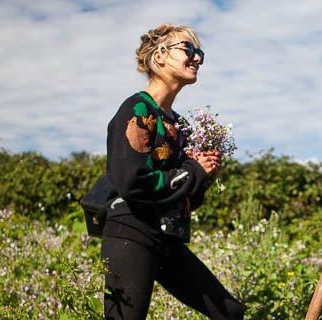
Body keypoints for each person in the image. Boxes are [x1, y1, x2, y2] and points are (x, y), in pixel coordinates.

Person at [101, 24, 246, 320]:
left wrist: (204, 175)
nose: (197, 59)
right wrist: (194, 169)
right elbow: (134, 183)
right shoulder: (138, 110)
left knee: (230, 313)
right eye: (188, 50)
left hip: (167, 237)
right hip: (131, 231)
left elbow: (187, 196)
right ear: (161, 55)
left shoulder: (181, 126)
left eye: (200, 53)